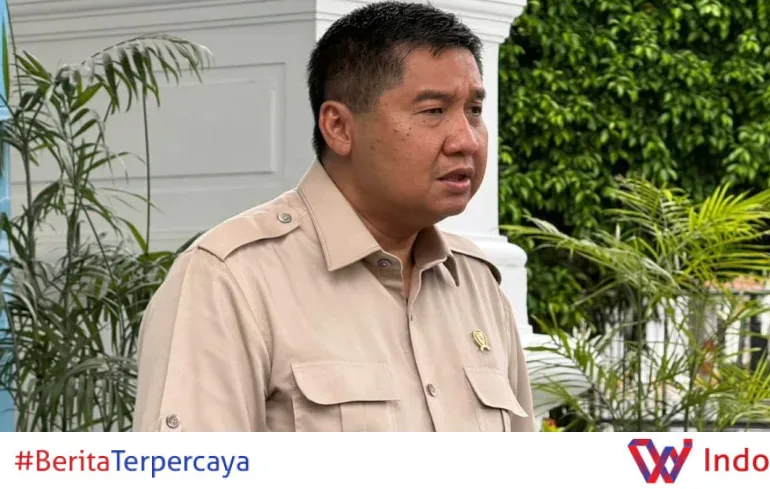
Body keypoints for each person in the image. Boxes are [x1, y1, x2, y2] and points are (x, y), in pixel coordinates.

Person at [132, 0, 535, 432]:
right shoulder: (232, 280)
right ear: (339, 127)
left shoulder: (475, 283)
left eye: (474, 111)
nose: (466, 140)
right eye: (433, 111)